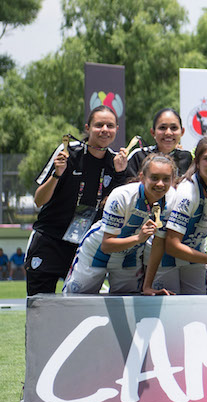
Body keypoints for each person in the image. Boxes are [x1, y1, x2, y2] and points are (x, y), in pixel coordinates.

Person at [25, 105, 130, 296]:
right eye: (99, 125)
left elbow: (125, 205)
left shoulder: (117, 163)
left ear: (116, 130)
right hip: (50, 240)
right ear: (88, 128)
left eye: (110, 125)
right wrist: (57, 175)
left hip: (85, 247)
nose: (105, 130)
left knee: (80, 309)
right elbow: (39, 200)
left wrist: (121, 174)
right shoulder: (68, 153)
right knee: (38, 306)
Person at [143, 137, 207, 295]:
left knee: (197, 308)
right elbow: (171, 245)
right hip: (165, 257)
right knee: (170, 310)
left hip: (194, 254)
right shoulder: (187, 193)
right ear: (197, 161)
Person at [63, 154, 176, 294]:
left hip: (129, 256)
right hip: (97, 253)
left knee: (128, 308)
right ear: (142, 178)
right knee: (76, 301)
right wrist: (138, 239)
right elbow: (106, 245)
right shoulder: (122, 196)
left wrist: (147, 286)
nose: (160, 184)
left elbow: (158, 244)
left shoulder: (171, 200)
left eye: (166, 179)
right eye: (154, 178)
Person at [126, 108, 193, 178]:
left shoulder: (187, 157)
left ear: (182, 132)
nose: (168, 133)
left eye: (174, 128)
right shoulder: (138, 156)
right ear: (153, 132)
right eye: (162, 127)